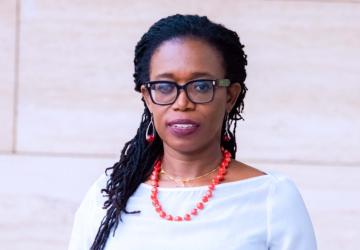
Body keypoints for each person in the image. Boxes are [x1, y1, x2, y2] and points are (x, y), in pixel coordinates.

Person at [69, 14, 317, 250]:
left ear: (230, 96)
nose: (182, 103)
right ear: (147, 98)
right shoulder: (110, 194)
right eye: (165, 86)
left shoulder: (271, 196)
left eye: (200, 86)